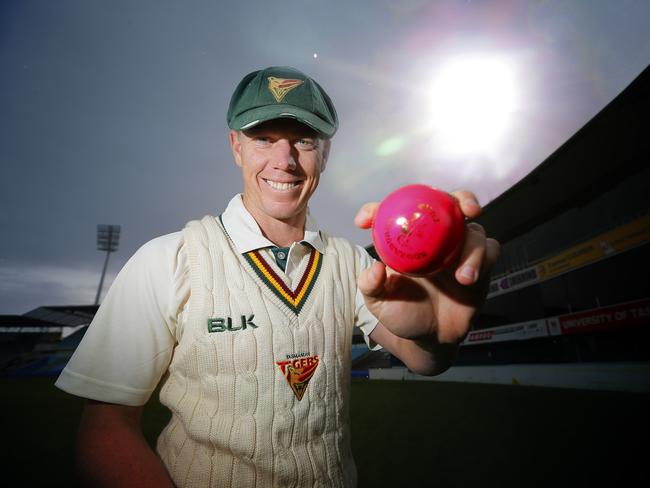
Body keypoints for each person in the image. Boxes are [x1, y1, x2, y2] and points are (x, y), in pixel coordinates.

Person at [55, 65, 500, 487]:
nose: (283, 159)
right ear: (236, 146)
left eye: (304, 140)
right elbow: (103, 432)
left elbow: (425, 360)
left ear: (325, 153)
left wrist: (436, 336)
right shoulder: (168, 259)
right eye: (263, 138)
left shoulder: (351, 262)